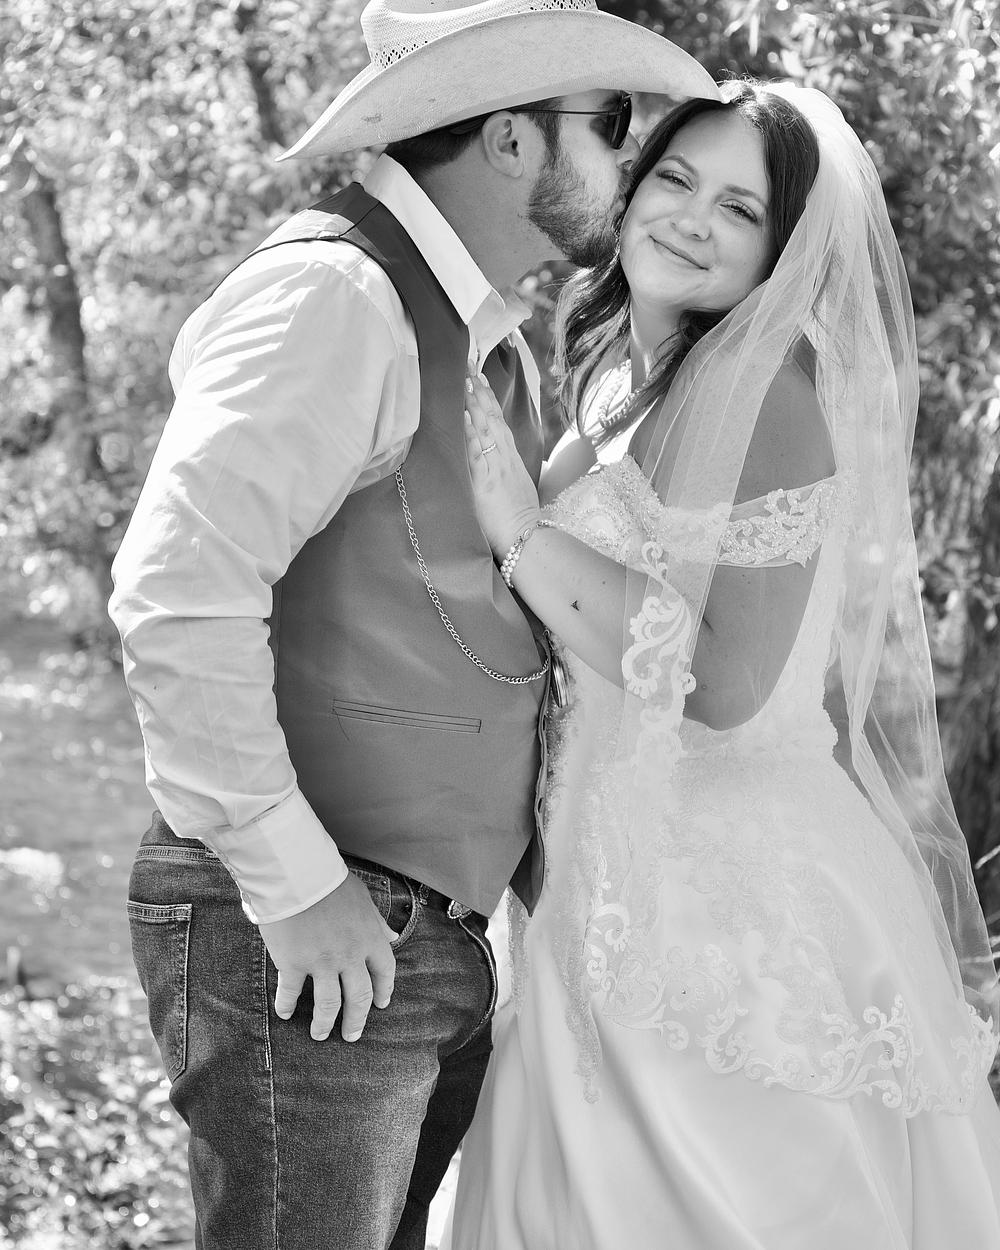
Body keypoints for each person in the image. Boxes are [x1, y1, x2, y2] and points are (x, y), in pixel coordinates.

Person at [107, 1, 719, 1246]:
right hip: (314, 923)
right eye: (608, 124)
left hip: (417, 941)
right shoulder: (336, 296)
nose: (630, 159)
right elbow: (178, 592)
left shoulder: (487, 346)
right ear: (510, 138)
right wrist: (294, 886)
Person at [448, 80, 1000, 1248]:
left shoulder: (767, 394)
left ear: (781, 248)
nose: (691, 219)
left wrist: (521, 533)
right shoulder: (610, 373)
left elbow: (728, 682)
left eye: (739, 209)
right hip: (589, 868)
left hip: (724, 905)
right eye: (676, 179)